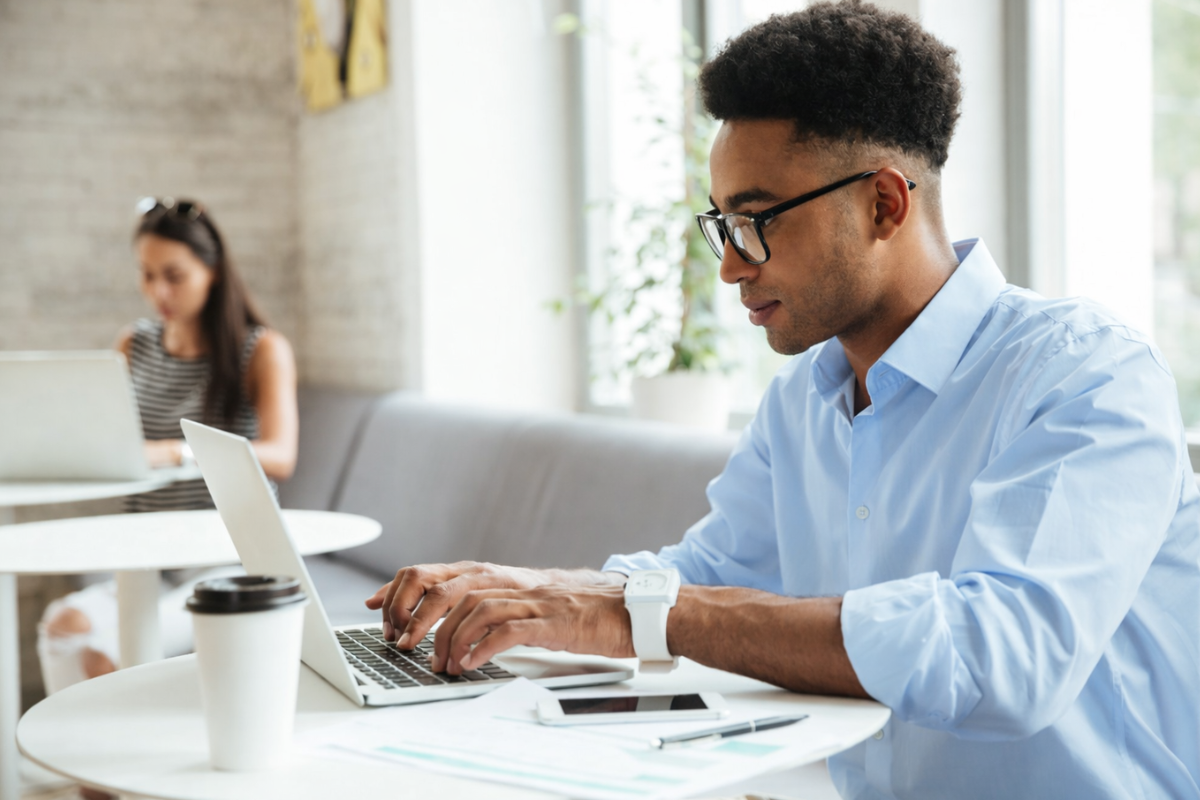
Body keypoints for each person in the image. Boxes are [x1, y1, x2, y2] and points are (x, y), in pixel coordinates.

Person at [366, 3, 1200, 798]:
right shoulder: (804, 399)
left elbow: (1002, 656)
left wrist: (633, 611)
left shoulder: (1085, 375)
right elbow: (707, 578)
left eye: (757, 219)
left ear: (885, 203)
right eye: (722, 224)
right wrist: (526, 598)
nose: (731, 264)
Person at [38, 197, 298, 692]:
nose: (158, 290)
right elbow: (105, 440)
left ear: (213, 270)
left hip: (228, 551)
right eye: (146, 273)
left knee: (110, 650)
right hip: (148, 549)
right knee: (62, 625)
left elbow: (281, 455)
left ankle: (110, 764)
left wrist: (174, 450)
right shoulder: (133, 344)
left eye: (174, 275)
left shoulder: (261, 349)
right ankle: (71, 771)